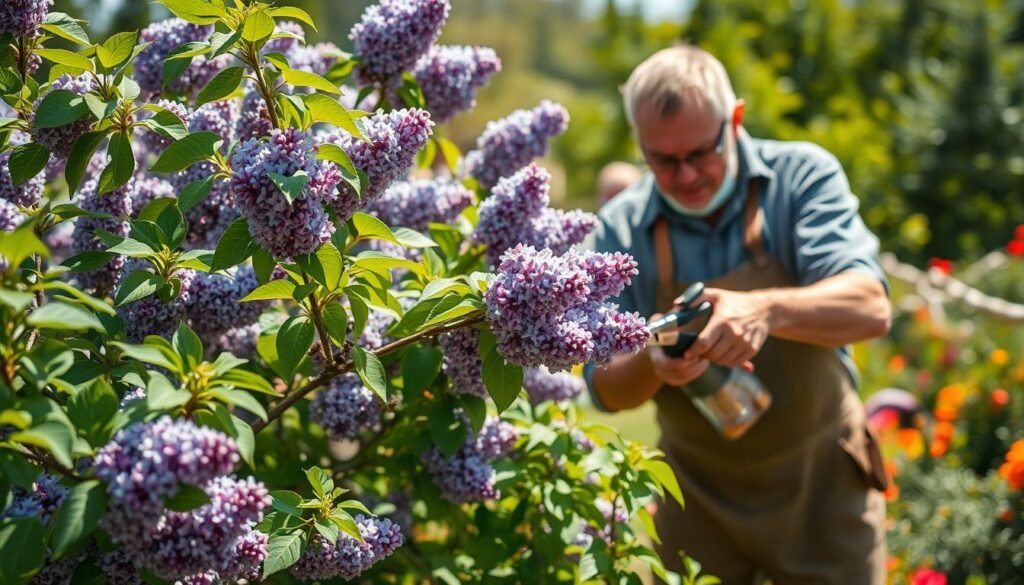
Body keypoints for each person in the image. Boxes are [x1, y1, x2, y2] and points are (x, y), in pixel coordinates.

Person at [583, 45, 892, 584]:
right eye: (663, 160)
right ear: (640, 147)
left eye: (702, 153)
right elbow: (605, 390)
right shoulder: (620, 228)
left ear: (737, 120)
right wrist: (654, 365)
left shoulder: (799, 179)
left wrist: (766, 307)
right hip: (696, 495)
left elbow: (870, 307)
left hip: (821, 485)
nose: (686, 177)